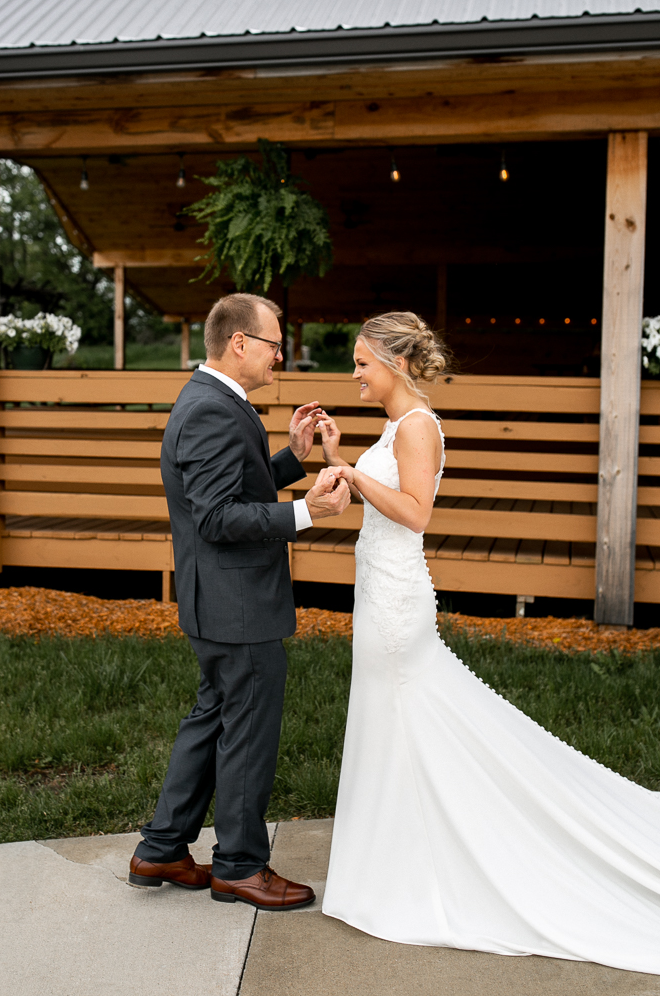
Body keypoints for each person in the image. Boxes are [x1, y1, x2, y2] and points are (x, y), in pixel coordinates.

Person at [318, 311, 660, 974]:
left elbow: (416, 512)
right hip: (378, 592)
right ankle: (393, 860)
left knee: (409, 718)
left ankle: (410, 871)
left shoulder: (418, 427)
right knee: (394, 725)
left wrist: (356, 478)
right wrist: (337, 458)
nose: (353, 375)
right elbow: (384, 498)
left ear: (393, 363)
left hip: (396, 602)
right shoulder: (395, 426)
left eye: (361, 363)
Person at [129, 292, 351, 910]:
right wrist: (310, 511)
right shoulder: (212, 411)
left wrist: (290, 459)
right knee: (248, 732)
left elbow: (232, 483)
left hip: (220, 600)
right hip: (237, 604)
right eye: (277, 344)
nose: (283, 356)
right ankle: (240, 866)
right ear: (240, 344)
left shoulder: (216, 403)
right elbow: (219, 517)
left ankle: (162, 849)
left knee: (211, 722)